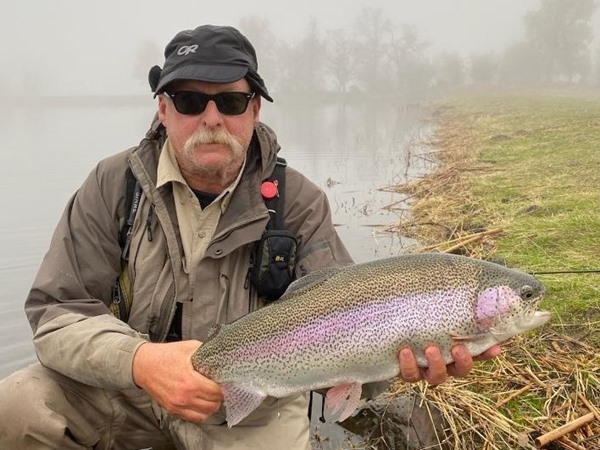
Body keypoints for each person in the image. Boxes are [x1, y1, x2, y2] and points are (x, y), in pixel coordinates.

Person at [0, 24, 499, 450]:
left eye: (231, 101)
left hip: (252, 404)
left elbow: (350, 333)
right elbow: (55, 315)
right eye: (190, 100)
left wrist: (398, 360)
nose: (212, 118)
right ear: (163, 109)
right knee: (18, 409)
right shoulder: (112, 186)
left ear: (255, 109)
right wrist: (140, 362)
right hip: (128, 387)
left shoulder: (298, 202)